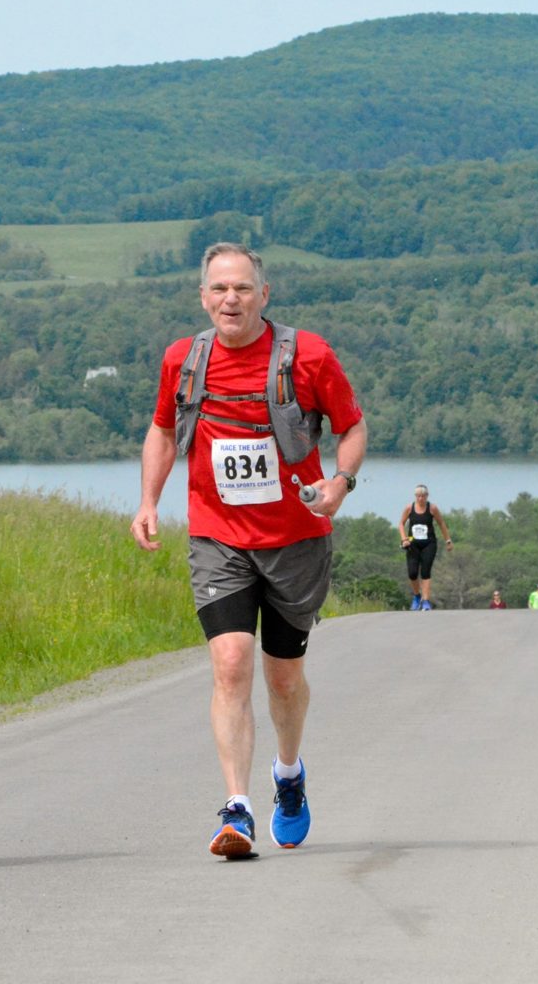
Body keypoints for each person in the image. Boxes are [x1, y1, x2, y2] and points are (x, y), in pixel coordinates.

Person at [130, 242, 366, 860]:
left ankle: (288, 775)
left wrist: (340, 483)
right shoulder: (183, 360)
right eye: (218, 289)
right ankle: (236, 807)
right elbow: (161, 428)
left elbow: (352, 426)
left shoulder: (308, 355)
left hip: (296, 541)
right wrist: (149, 501)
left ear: (264, 295)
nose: (229, 299)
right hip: (219, 538)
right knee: (230, 663)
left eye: (241, 288)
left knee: (282, 677)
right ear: (202, 297)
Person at [397, 484, 452, 611]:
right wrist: (404, 538)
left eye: (423, 496)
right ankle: (417, 597)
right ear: (415, 496)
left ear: (427, 496)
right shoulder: (409, 508)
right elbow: (401, 523)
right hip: (413, 544)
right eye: (418, 496)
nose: (420, 498)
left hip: (429, 543)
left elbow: (441, 523)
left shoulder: (432, 508)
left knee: (425, 571)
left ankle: (426, 601)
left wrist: (448, 540)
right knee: (412, 573)